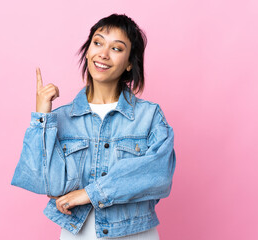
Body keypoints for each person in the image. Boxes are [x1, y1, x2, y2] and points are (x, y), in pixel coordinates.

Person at [11, 14, 176, 239]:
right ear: (87, 51)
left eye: (117, 48)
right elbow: (43, 182)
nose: (103, 54)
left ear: (129, 63)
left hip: (136, 233)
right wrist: (42, 116)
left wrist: (88, 194)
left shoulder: (149, 116)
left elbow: (158, 175)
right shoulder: (60, 119)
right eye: (97, 43)